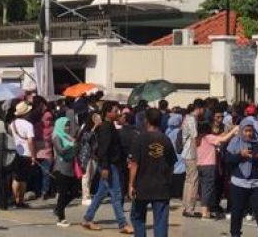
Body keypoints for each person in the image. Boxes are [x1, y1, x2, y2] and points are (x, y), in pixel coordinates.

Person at [81, 100, 131, 233]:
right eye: (115, 111)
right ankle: (122, 224)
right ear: (108, 113)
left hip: (112, 164)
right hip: (109, 165)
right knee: (116, 194)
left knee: (101, 193)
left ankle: (87, 218)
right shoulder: (105, 127)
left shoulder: (110, 126)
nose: (117, 113)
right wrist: (104, 167)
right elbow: (104, 149)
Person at [129, 108, 176, 237]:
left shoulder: (139, 139)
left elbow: (134, 164)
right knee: (160, 221)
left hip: (142, 185)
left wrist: (131, 184)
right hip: (161, 186)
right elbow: (172, 164)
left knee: (138, 217)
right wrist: (167, 179)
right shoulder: (165, 139)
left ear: (146, 120)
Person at [225, 117, 258, 237]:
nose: (248, 133)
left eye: (250, 130)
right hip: (239, 182)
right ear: (241, 130)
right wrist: (240, 155)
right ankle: (235, 234)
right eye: (246, 130)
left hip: (257, 182)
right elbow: (228, 160)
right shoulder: (235, 142)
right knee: (237, 210)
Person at [52, 110, 80, 227]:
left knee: (74, 191)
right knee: (63, 193)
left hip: (70, 168)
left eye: (68, 126)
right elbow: (61, 151)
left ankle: (58, 208)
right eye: (65, 126)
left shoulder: (68, 137)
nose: (67, 128)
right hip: (60, 168)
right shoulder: (57, 137)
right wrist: (70, 146)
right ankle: (61, 218)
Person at [178, 100, 203, 218]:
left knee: (188, 180)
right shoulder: (192, 119)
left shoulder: (186, 117)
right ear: (199, 108)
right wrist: (197, 154)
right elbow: (194, 137)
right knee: (193, 181)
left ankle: (186, 205)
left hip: (185, 152)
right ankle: (190, 208)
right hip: (191, 153)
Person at [9, 101, 36, 208]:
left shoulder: (12, 124)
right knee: (23, 179)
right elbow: (30, 141)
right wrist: (33, 156)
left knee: (15, 178)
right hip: (26, 153)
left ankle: (15, 199)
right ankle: (20, 200)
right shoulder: (29, 125)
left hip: (15, 152)